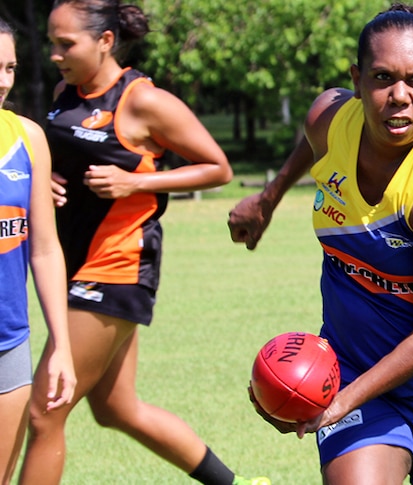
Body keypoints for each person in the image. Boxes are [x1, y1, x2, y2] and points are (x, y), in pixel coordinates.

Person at [229, 4, 413, 484]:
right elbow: (314, 141)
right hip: (357, 363)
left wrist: (337, 404)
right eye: (383, 78)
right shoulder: (331, 117)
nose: (399, 96)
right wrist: (268, 199)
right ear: (357, 79)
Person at [18, 2, 268, 484]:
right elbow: (63, 161)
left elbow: (218, 167)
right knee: (116, 408)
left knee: (44, 411)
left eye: (65, 43)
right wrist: (42, 176)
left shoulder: (142, 101)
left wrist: (136, 184)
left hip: (117, 268)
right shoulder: (63, 92)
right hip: (73, 265)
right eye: (51, 42)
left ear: (105, 41)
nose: (54, 54)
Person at [0, 18, 76, 485]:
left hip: (9, 342)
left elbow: (45, 251)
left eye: (9, 67)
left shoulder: (29, 138)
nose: (2, 81)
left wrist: (61, 346)